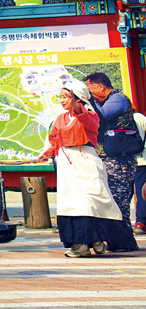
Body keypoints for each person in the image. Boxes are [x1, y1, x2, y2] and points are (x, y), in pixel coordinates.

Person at [35, 82, 138, 256]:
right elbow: (56, 139)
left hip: (85, 161)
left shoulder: (90, 115)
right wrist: (48, 153)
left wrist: (77, 107)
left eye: (65, 97)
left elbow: (88, 123)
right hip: (67, 164)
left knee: (90, 202)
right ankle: (84, 243)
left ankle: (93, 240)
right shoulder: (61, 118)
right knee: (72, 204)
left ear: (77, 98)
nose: (61, 100)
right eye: (60, 97)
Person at [84, 73, 140, 227]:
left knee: (118, 199)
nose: (91, 96)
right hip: (107, 157)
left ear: (101, 86)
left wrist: (86, 102)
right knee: (108, 199)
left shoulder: (118, 98)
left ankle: (123, 239)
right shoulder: (103, 101)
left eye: (90, 90)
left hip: (119, 159)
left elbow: (98, 117)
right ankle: (114, 239)